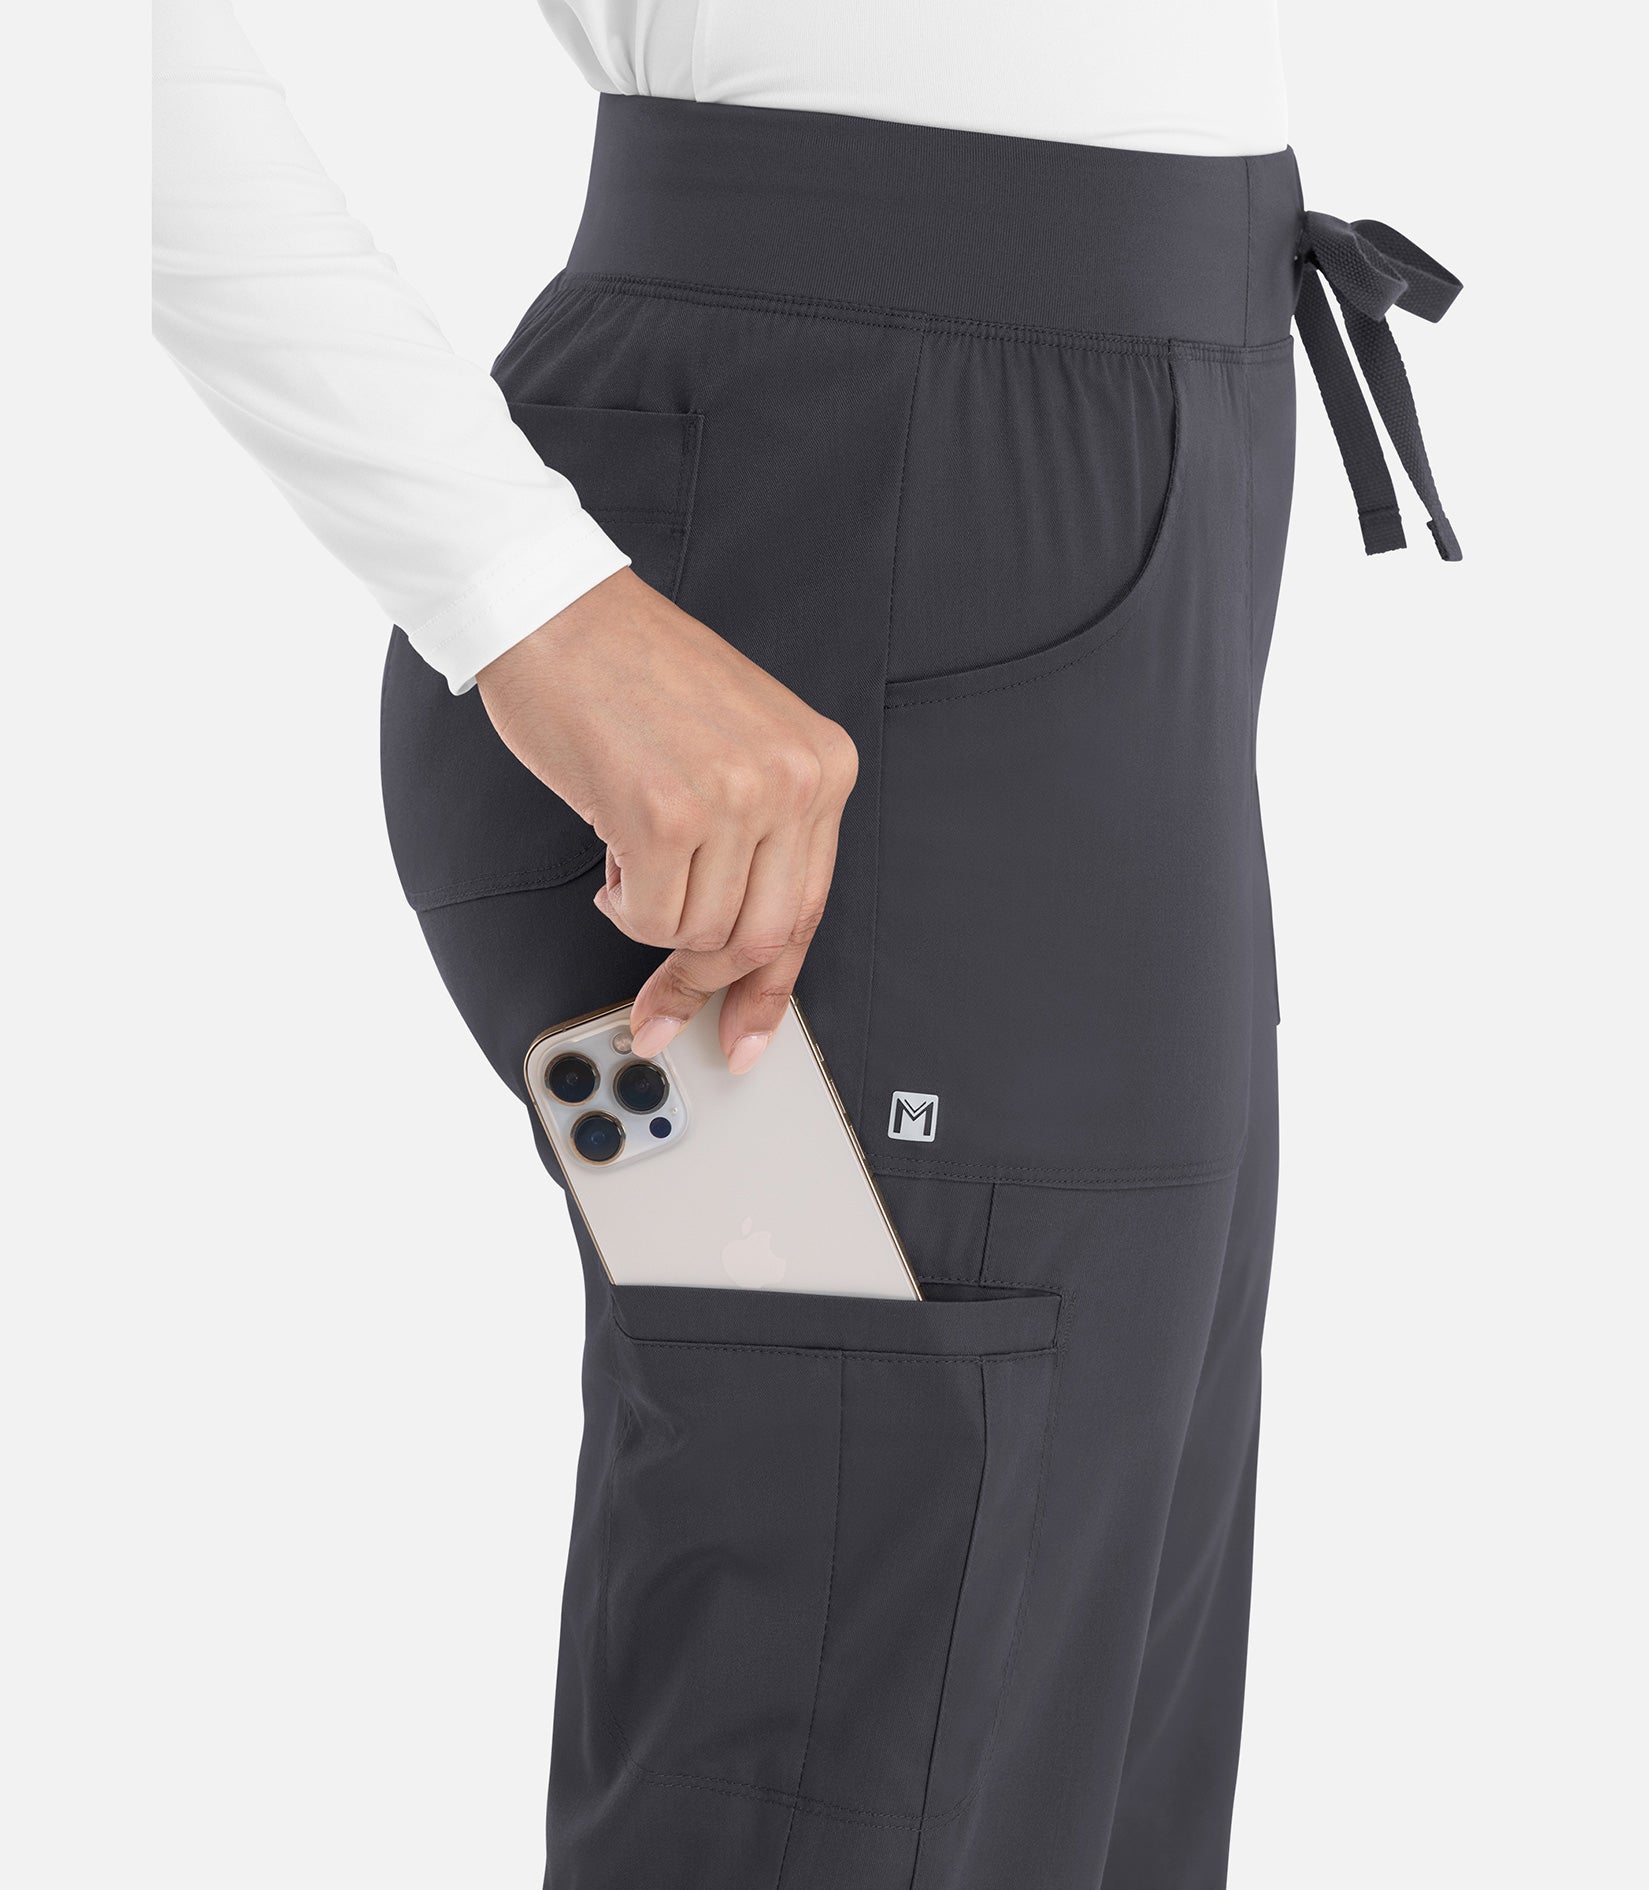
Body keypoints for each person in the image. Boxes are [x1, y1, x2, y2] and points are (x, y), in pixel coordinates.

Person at [153, 3, 1462, 1883]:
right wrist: (524, 600)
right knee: (878, 1698)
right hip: (823, 572)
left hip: (1126, 536)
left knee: (1058, 1746)